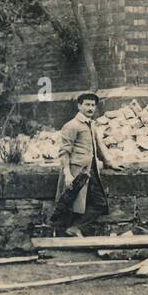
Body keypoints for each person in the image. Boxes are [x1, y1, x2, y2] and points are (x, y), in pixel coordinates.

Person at [50, 93, 114, 237]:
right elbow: (64, 152)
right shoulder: (71, 125)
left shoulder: (91, 124)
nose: (90, 108)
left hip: (90, 171)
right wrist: (67, 173)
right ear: (79, 106)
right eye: (87, 104)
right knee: (70, 206)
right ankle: (63, 236)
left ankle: (76, 228)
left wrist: (108, 163)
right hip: (76, 172)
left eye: (93, 105)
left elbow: (97, 146)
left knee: (100, 203)